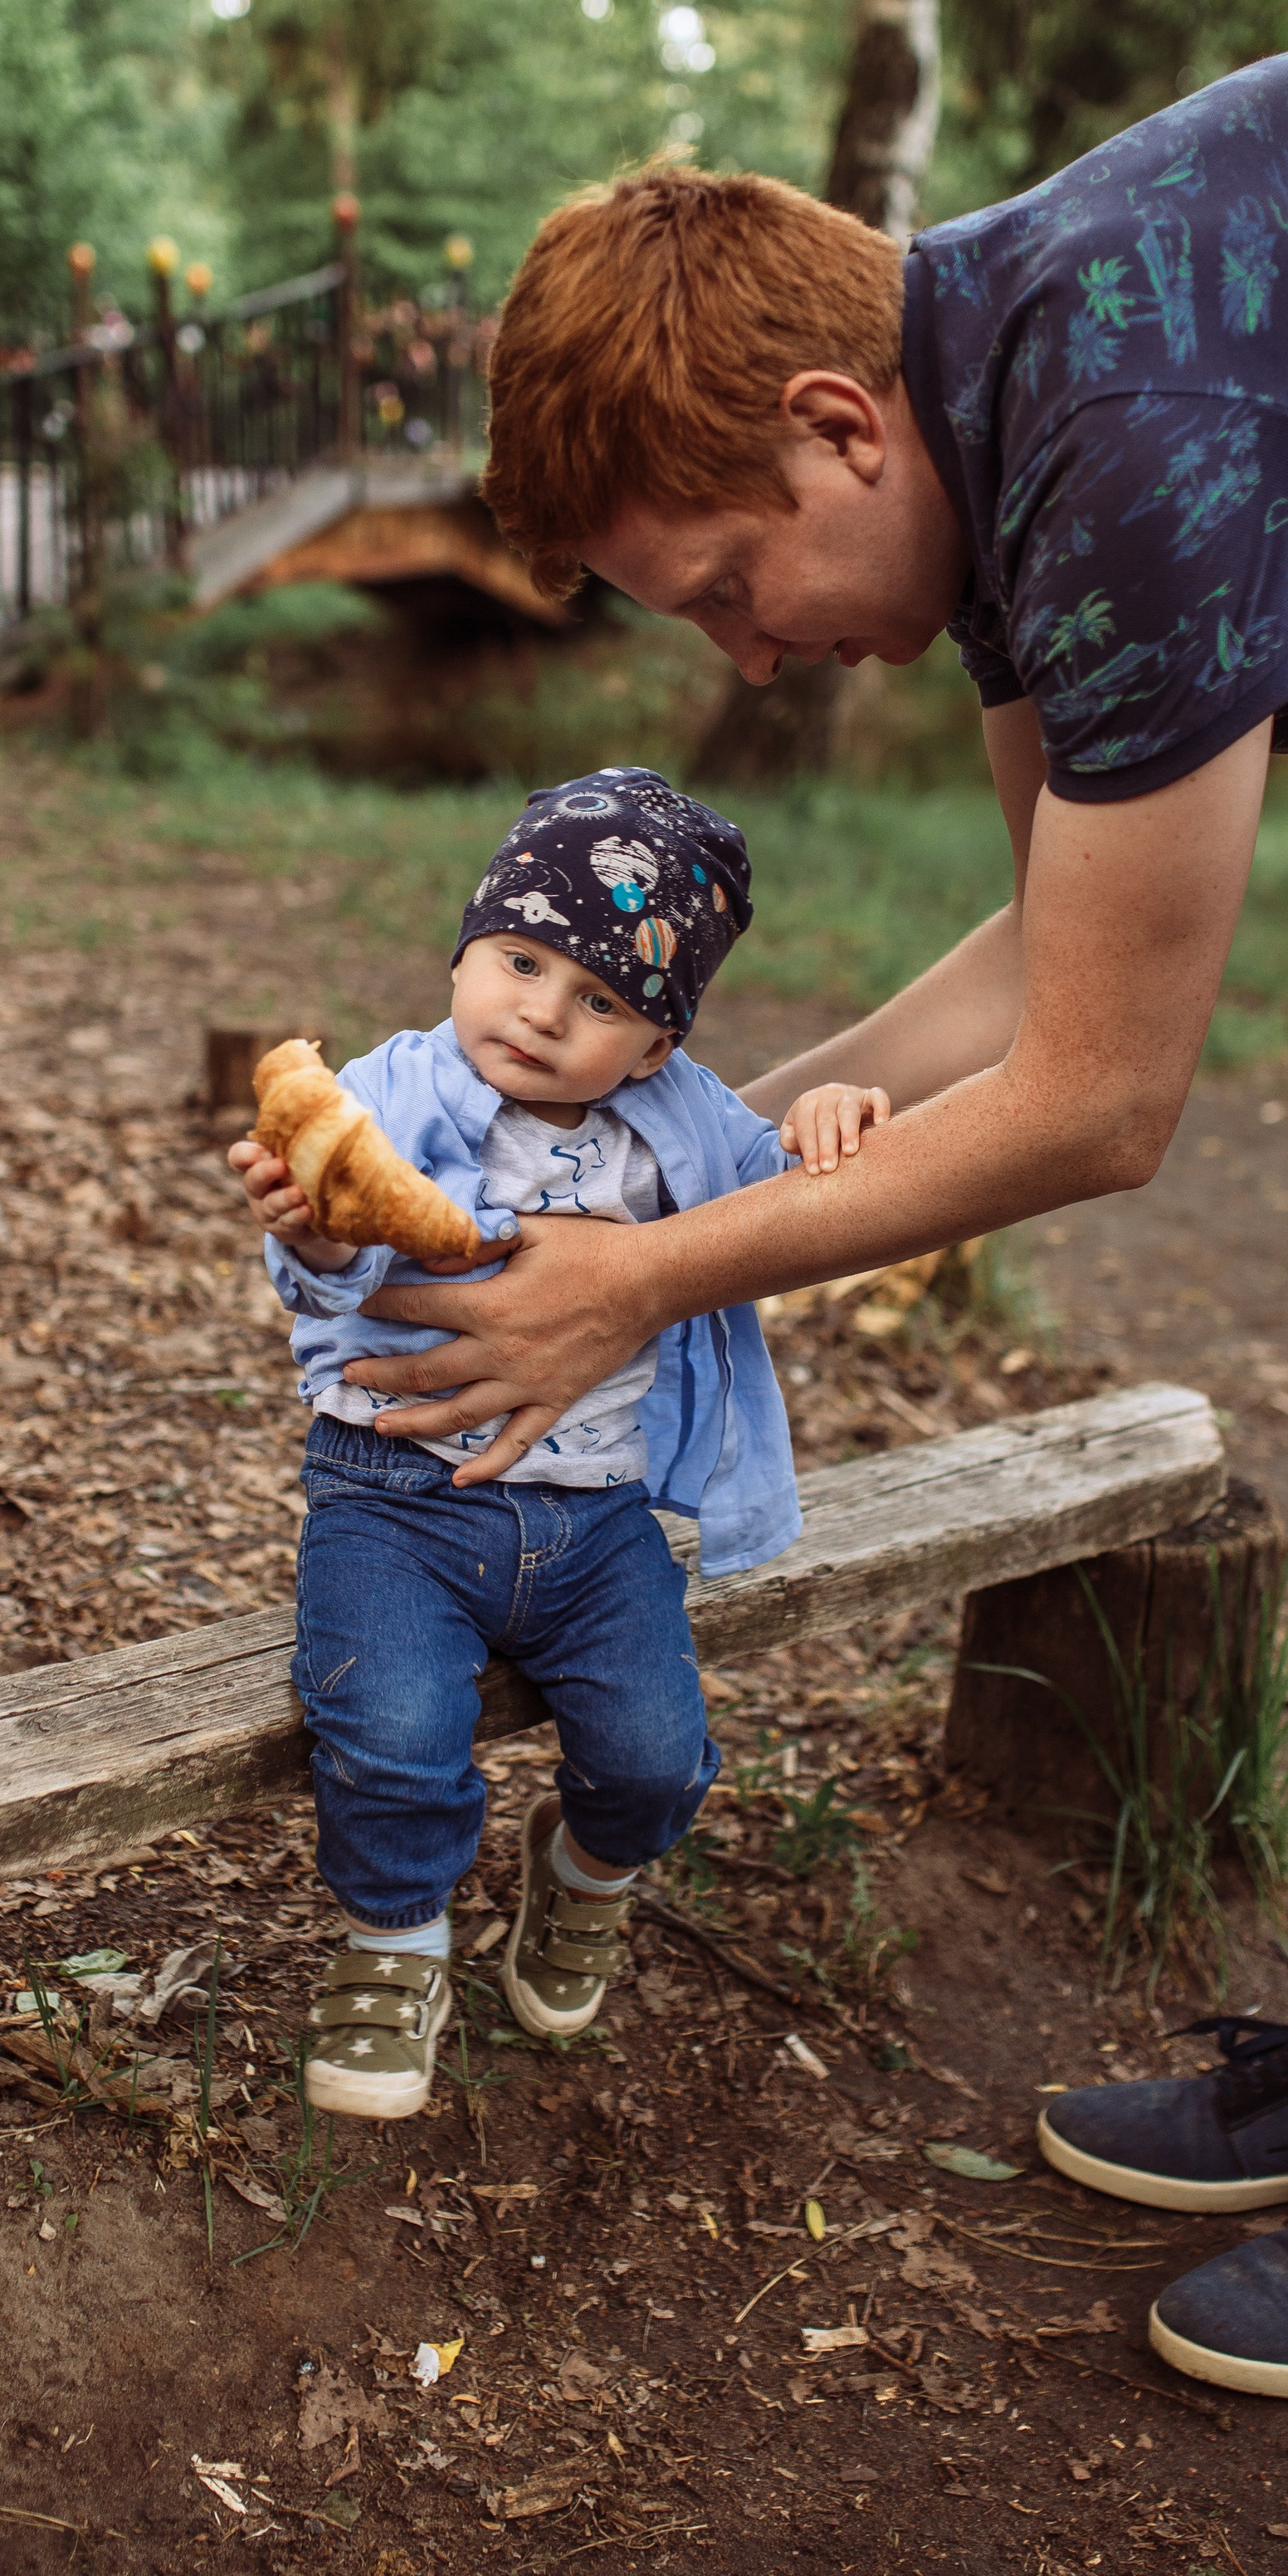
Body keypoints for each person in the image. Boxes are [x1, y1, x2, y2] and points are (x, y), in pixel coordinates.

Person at [334, 32, 1288, 2394]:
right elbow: (1062, 941)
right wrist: (715, 1142)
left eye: (735, 581)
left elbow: (1105, 1099)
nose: (745, 655)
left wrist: (628, 1275)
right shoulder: (1003, 431)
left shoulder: (1122, 441)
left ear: (844, 425)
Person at [229, 764, 888, 2119]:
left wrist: (827, 1127)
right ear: (467, 950)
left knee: (656, 1751)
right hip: (396, 1493)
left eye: (601, 999)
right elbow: (327, 1283)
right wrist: (311, 1233)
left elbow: (775, 1201)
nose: (543, 1010)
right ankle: (394, 1939)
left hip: (595, 1515)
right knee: (393, 1723)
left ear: (656, 1044)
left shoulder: (687, 1118)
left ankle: (584, 1871)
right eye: (521, 960)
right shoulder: (384, 1094)